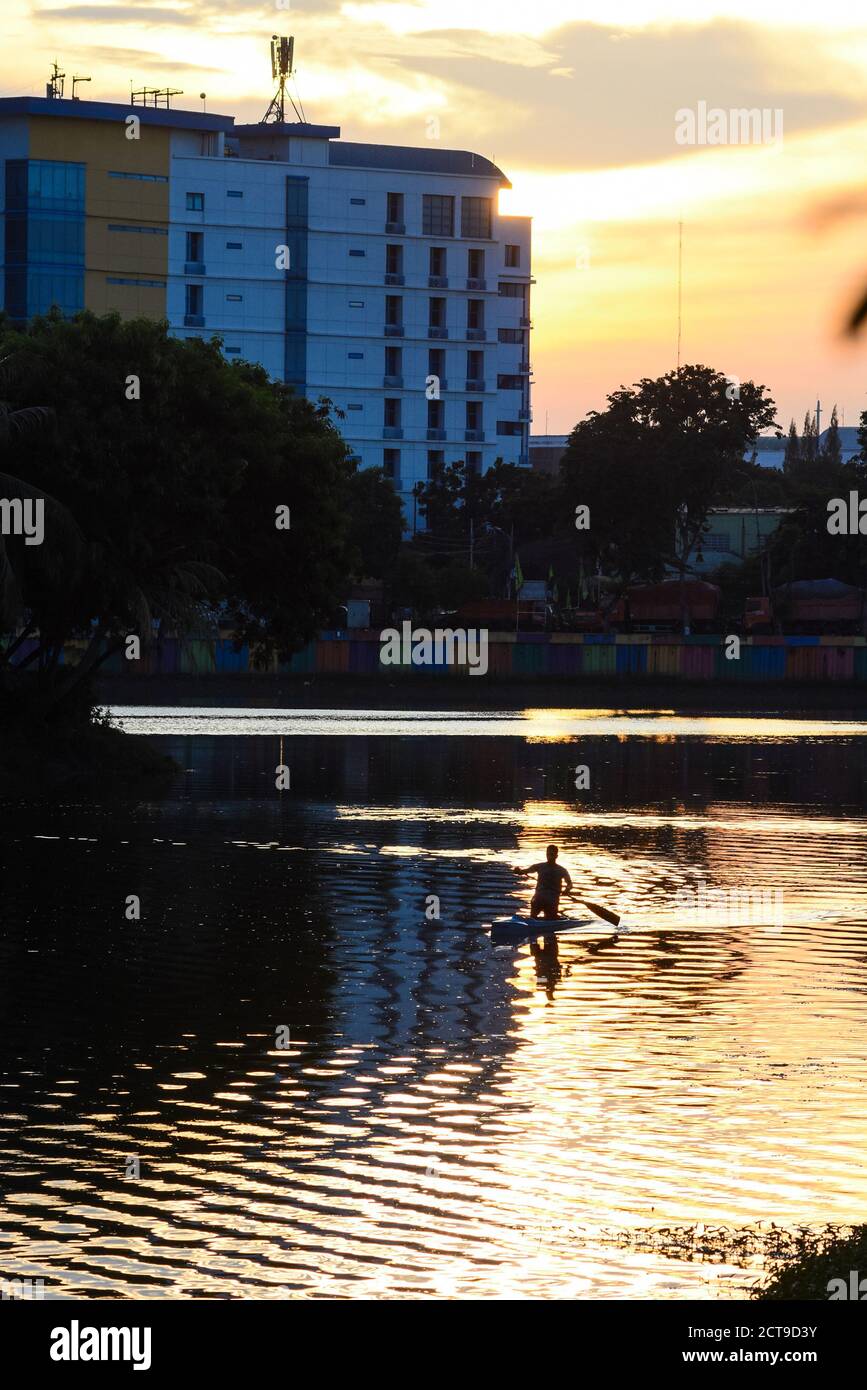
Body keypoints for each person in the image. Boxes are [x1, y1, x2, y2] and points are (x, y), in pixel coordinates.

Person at [515, 844, 573, 920]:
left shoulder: (562, 870)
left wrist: (567, 889)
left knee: (550, 916)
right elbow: (525, 871)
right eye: (548, 854)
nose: (549, 856)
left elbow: (570, 884)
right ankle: (534, 921)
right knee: (535, 909)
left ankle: (549, 920)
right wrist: (518, 871)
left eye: (552, 854)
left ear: (556, 856)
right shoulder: (539, 866)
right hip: (539, 898)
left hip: (552, 899)